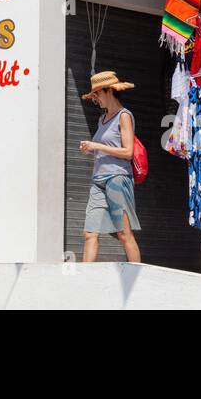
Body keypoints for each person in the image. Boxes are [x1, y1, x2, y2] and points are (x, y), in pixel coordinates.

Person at [79, 70, 142, 264]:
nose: (95, 99)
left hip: (117, 178)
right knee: (90, 233)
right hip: (98, 180)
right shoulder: (102, 119)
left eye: (97, 94)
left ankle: (137, 277)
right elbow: (107, 148)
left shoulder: (124, 116)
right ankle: (83, 277)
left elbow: (128, 152)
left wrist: (96, 146)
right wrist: (91, 149)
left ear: (109, 91)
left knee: (124, 233)